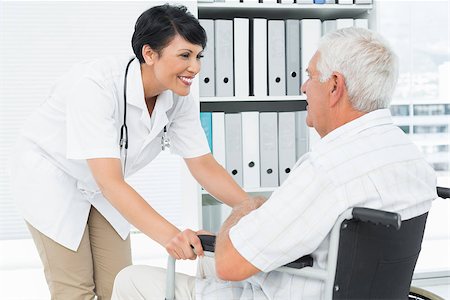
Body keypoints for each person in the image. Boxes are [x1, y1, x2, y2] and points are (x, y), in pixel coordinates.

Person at [111, 27, 438, 299]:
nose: (303, 86)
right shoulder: (410, 158)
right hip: (349, 286)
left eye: (310, 77)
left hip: (293, 292)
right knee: (208, 257)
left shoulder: (328, 169)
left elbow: (230, 264)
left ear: (335, 86)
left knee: (132, 278)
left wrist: (247, 209)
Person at [9, 4, 248, 299]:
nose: (195, 67)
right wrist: (171, 237)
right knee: (74, 290)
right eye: (185, 56)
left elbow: (203, 164)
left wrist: (251, 208)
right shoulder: (95, 86)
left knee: (119, 285)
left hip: (104, 185)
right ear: (149, 54)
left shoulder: (178, 93)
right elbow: (110, 181)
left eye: (198, 56)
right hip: (52, 178)